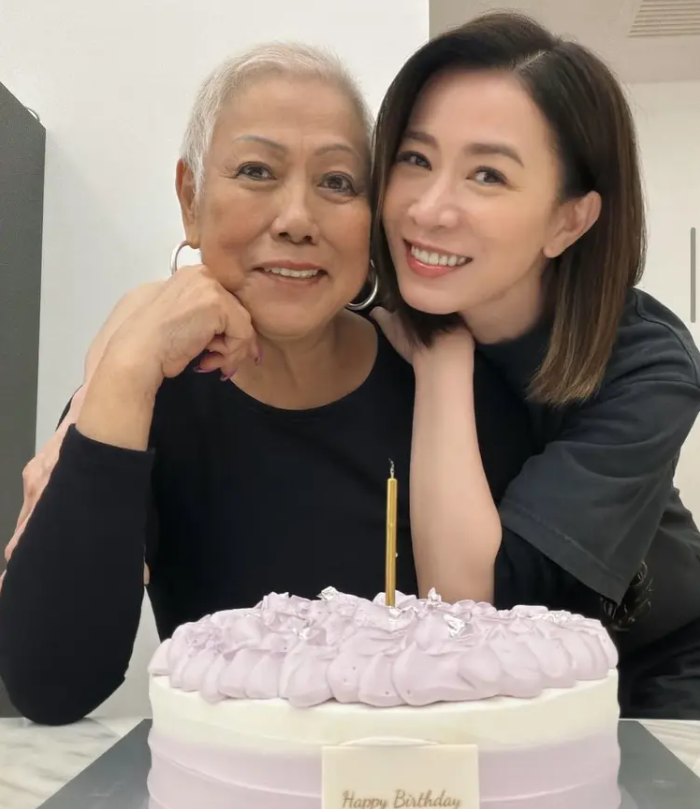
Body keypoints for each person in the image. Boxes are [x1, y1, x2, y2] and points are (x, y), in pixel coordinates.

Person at [0, 43, 534, 725]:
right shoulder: (143, 396)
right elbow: (50, 684)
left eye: (337, 182)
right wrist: (127, 372)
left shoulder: (449, 391)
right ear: (191, 199)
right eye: (256, 171)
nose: (297, 220)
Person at [368, 11, 700, 718]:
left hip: (661, 666)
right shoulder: (371, 313)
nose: (428, 209)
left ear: (567, 220)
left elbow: (469, 612)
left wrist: (443, 362)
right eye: (416, 158)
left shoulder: (649, 367)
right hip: (496, 701)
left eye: (487, 174)